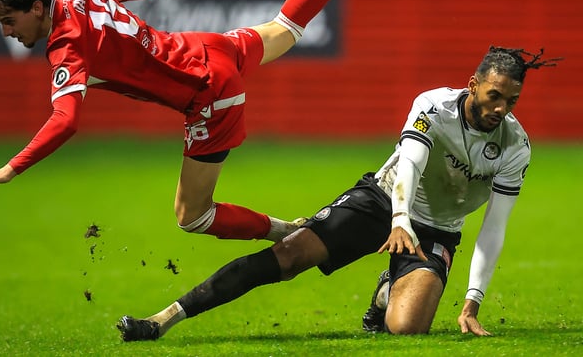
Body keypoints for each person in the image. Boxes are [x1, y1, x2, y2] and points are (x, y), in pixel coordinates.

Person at [0, 0, 411, 243]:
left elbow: (66, 120)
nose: (7, 31)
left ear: (36, 8)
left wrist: (11, 169)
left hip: (208, 95)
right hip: (203, 47)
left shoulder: (66, 46)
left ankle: (291, 232)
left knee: (191, 216)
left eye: (9, 20)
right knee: (285, 29)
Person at [117, 46, 562, 340]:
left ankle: (388, 290)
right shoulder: (433, 107)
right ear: (473, 85)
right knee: (289, 256)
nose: (500, 109)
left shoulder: (514, 146)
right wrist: (399, 219)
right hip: (384, 200)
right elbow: (409, 162)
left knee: (405, 330)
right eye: (494, 96)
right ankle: (164, 320)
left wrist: (472, 300)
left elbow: (495, 225)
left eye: (511, 101)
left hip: (437, 229)